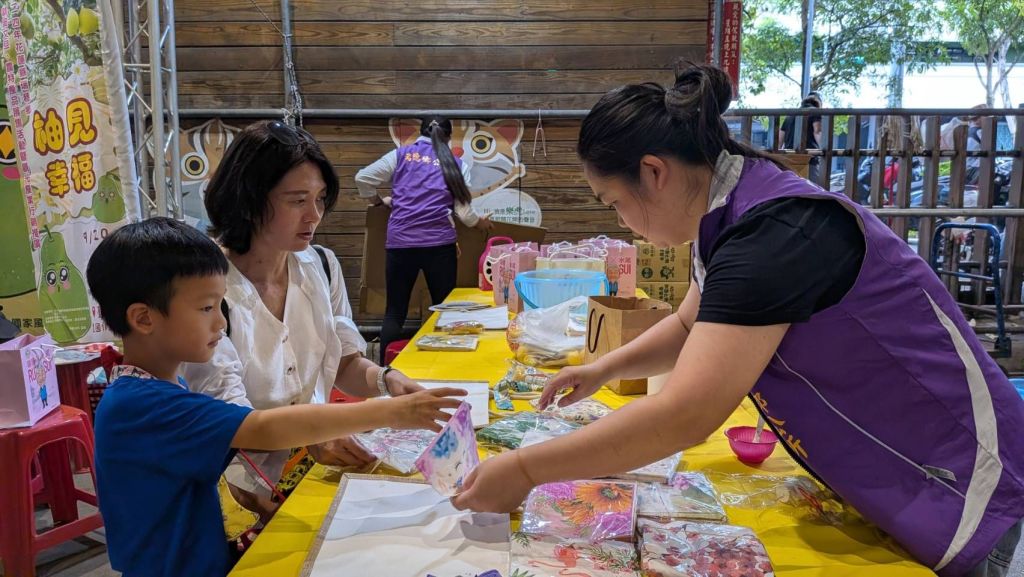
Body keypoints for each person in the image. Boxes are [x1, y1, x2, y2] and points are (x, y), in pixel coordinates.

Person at [452, 64, 1024, 577]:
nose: (622, 222)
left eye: (614, 203)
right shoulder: (732, 212)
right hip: (906, 472)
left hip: (969, 483)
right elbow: (688, 326)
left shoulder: (772, 235)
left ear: (653, 172)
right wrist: (603, 369)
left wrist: (526, 469)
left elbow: (685, 415)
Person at [87, 217, 464, 577]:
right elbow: (263, 429)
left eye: (220, 305)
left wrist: (255, 505)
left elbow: (197, 475)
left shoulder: (160, 389)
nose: (220, 321)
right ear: (144, 318)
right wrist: (392, 412)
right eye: (206, 308)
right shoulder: (140, 406)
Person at [181, 120, 425, 519]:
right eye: (297, 201)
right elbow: (232, 424)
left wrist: (387, 380)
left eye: (320, 199)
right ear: (249, 199)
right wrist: (318, 435)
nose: (314, 215)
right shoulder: (208, 288)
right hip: (238, 494)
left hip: (312, 471)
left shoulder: (321, 265)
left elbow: (342, 362)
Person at [355, 115, 493, 362]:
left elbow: (363, 178)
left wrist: (378, 201)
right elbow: (464, 213)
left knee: (395, 312)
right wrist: (480, 223)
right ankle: (445, 365)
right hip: (440, 247)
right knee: (444, 309)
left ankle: (385, 372)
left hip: (400, 245)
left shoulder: (400, 155)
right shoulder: (456, 164)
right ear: (449, 137)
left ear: (420, 133)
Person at [780, 93, 824, 183]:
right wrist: (824, 149)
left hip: (789, 158)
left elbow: (779, 139)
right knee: (812, 187)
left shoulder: (790, 115)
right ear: (819, 103)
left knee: (792, 186)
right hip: (809, 159)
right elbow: (817, 131)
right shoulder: (816, 112)